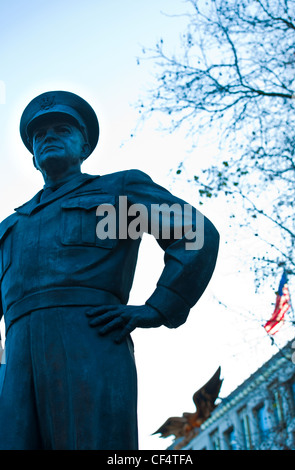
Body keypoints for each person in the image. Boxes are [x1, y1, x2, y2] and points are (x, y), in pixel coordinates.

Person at [0, 91, 219, 450]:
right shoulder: (11, 226)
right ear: (33, 156)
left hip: (90, 340)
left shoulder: (115, 192)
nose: (48, 137)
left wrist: (160, 306)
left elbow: (194, 232)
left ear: (84, 146)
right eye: (39, 135)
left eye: (61, 128)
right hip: (16, 366)